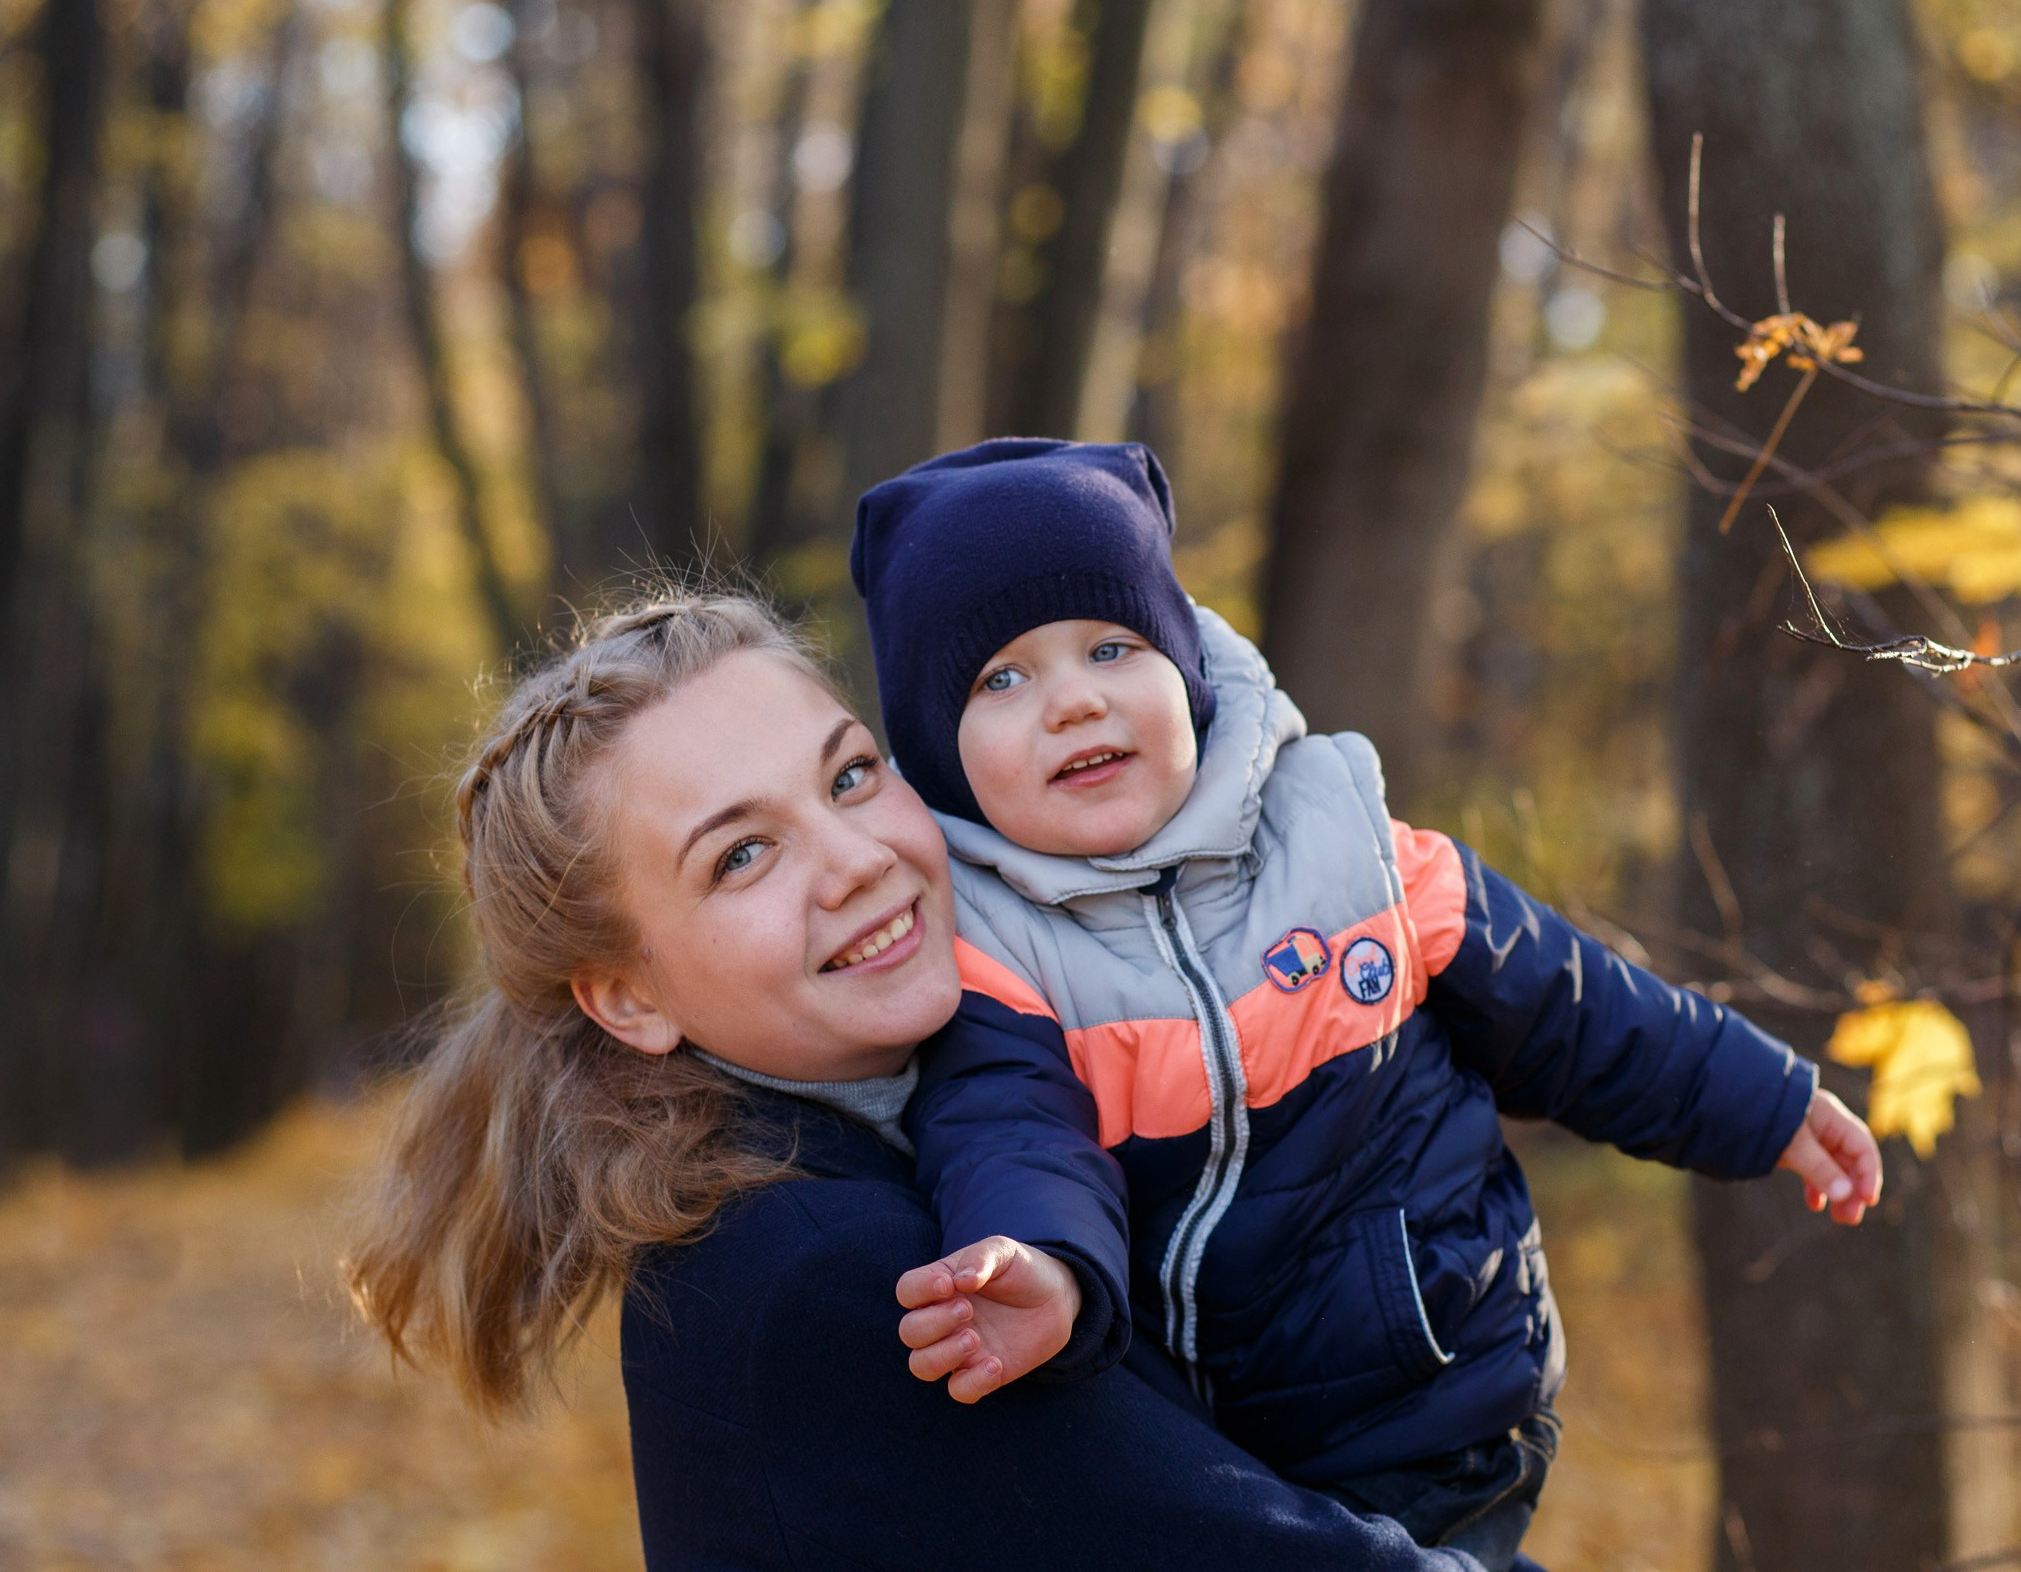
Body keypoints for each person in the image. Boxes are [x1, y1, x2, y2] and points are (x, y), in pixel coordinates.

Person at [849, 440, 1887, 1567]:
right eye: (1002, 679)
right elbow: (1008, 1128)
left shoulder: (1345, 847)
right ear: (938, 759)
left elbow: (1578, 1006)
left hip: (1445, 1399)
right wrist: (1041, 1261)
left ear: (1187, 663)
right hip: (1223, 1463)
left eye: (1113, 645)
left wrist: (1768, 1101)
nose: (1074, 700)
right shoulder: (993, 954)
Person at [343, 593, 1486, 1571]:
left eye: (849, 775)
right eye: (741, 855)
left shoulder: (979, 1108)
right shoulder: (821, 1272)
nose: (858, 858)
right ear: (630, 997)